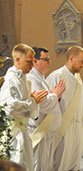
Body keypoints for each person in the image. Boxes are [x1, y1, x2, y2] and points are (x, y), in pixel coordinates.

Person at [0, 43, 48, 171]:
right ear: (17, 60)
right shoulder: (11, 79)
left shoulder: (25, 80)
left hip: (23, 130)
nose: (32, 67)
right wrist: (32, 101)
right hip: (14, 132)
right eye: (29, 62)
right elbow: (10, 106)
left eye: (33, 62)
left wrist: (32, 101)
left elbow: (28, 109)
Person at [46, 46, 83, 170]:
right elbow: (48, 104)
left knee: (74, 165)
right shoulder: (57, 76)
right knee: (60, 164)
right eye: (81, 61)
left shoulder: (78, 79)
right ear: (71, 59)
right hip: (63, 129)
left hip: (77, 129)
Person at [27, 47, 65, 171]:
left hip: (46, 131)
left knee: (46, 166)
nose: (49, 62)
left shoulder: (41, 78)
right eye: (46, 59)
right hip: (38, 131)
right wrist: (55, 95)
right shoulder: (32, 79)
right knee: (38, 166)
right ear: (35, 61)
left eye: (49, 59)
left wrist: (56, 97)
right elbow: (41, 104)